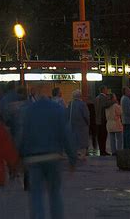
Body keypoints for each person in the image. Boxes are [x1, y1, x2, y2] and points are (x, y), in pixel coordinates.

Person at [19, 88, 77, 219]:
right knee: (55, 193)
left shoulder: (28, 111)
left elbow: (22, 135)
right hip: (53, 155)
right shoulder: (57, 110)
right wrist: (72, 158)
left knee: (36, 195)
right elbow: (65, 134)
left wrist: (20, 156)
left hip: (33, 158)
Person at [67, 89, 90, 159]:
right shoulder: (82, 104)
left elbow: (67, 114)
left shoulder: (71, 104)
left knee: (74, 139)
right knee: (83, 140)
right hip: (82, 125)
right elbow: (86, 115)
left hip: (73, 125)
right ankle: (83, 155)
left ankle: (75, 153)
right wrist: (88, 123)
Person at [94, 86, 112, 156]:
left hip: (98, 119)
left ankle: (101, 150)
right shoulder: (103, 98)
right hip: (103, 119)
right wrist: (113, 101)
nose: (107, 90)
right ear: (103, 90)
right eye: (106, 89)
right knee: (103, 136)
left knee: (99, 136)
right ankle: (103, 151)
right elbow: (105, 105)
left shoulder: (97, 98)